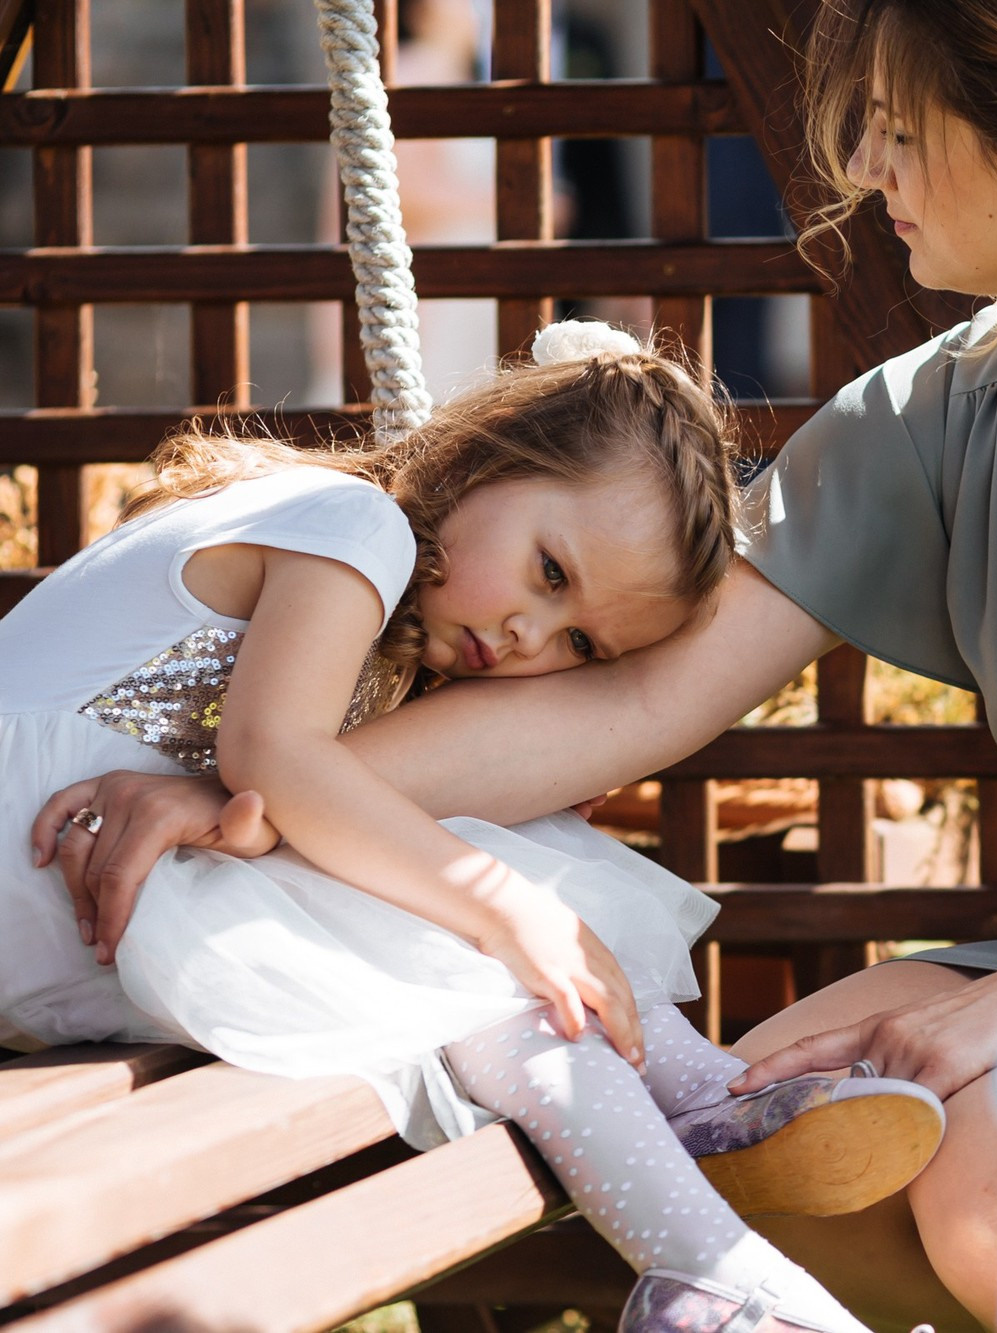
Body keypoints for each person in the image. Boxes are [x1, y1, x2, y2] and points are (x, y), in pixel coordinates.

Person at [34, 1, 997, 1325]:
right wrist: (264, 802)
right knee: (751, 1139)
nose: (866, 167)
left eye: (900, 130)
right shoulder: (940, 416)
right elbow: (641, 697)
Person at [3, 321, 945, 1333]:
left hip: (62, 895)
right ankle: (701, 1230)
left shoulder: (367, 586)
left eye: (578, 641)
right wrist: (510, 916)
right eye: (550, 571)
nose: (530, 637)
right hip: (45, 870)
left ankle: (707, 1136)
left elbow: (281, 789)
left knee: (492, 887)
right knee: (486, 932)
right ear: (489, 459)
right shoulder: (348, 521)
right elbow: (273, 759)